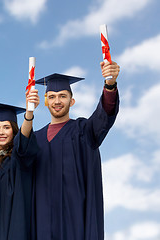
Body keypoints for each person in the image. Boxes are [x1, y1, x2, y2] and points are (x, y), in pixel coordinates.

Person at [32, 61, 120, 240]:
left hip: (75, 220)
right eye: (52, 96)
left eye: (63, 96)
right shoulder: (34, 139)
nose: (57, 101)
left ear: (72, 101)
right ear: (46, 102)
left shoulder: (83, 131)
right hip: (41, 222)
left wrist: (109, 85)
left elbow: (104, 116)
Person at [0, 88, 40, 240]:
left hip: (8, 230)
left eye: (6, 127)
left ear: (14, 131)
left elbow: (24, 143)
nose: (1, 132)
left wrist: (29, 114)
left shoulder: (17, 160)